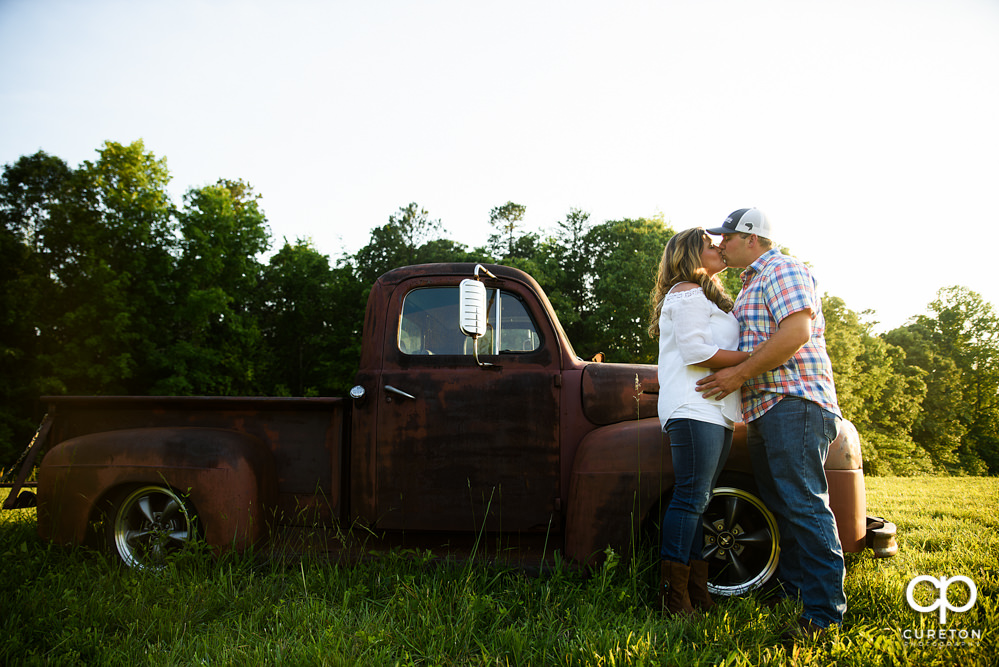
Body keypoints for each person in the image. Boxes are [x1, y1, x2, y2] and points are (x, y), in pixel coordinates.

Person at [697, 207, 846, 641]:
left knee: (802, 504)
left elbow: (796, 332)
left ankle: (824, 615)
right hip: (766, 408)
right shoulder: (748, 285)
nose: (720, 243)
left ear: (751, 238)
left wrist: (737, 376)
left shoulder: (782, 269)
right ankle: (797, 595)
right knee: (783, 505)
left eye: (726, 236)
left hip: (795, 401)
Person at [649, 227, 750, 617]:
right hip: (694, 407)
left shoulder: (707, 296)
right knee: (690, 498)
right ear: (692, 254)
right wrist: (755, 357)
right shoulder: (687, 292)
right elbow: (695, 351)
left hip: (715, 409)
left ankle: (695, 592)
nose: (720, 247)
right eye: (711, 245)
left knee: (698, 500)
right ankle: (673, 599)